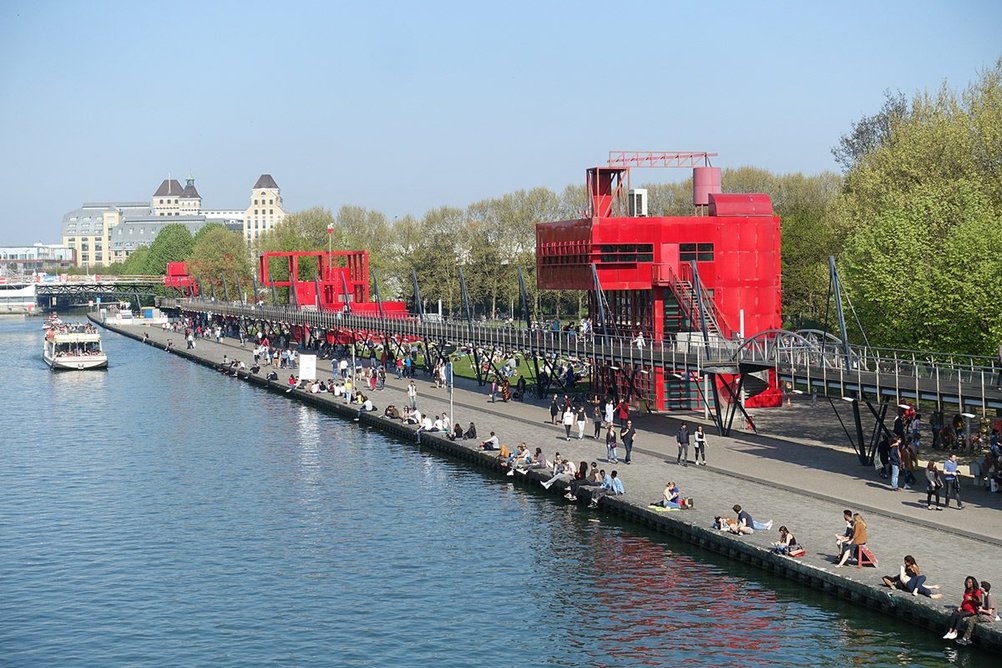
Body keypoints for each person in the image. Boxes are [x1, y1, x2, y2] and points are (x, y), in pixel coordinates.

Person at [956, 581, 996, 645]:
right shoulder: (985, 596)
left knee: (971, 620)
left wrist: (982, 610)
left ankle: (966, 638)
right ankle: (969, 636)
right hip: (984, 614)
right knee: (970, 619)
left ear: (983, 589)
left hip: (989, 617)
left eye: (981, 587)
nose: (979, 588)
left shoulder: (990, 598)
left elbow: (990, 612)